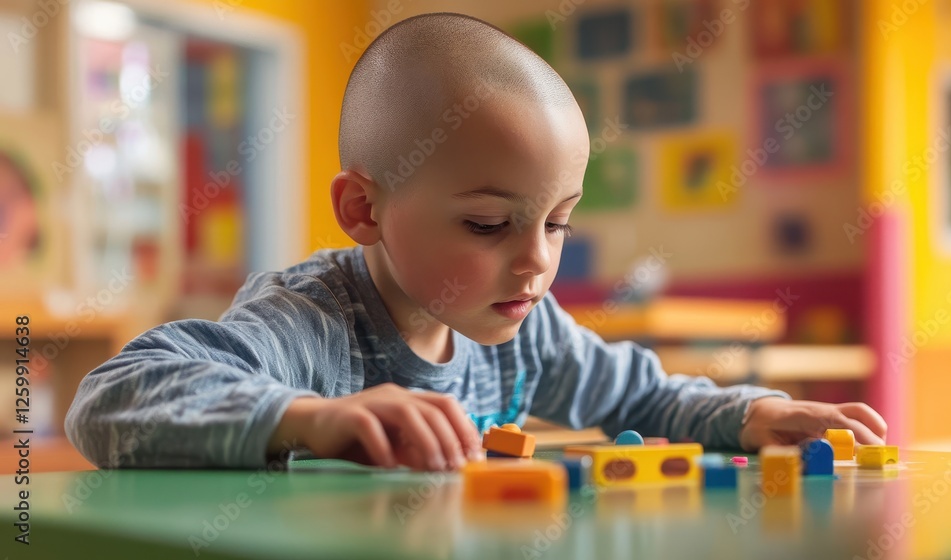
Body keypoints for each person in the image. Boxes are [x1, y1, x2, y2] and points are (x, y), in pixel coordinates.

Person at [65, 13, 886, 471]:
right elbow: (107, 399)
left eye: (557, 222)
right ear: (364, 210)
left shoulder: (527, 328)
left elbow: (642, 398)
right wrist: (310, 417)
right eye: (489, 224)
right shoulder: (309, 322)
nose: (536, 261)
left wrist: (759, 415)